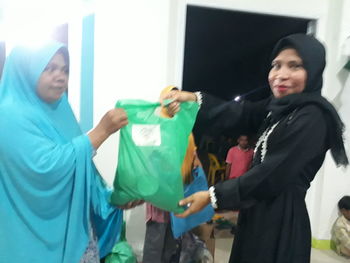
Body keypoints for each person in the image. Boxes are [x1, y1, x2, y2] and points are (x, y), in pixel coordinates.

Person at [161, 34, 349, 263]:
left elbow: (272, 174)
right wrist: (191, 98)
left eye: (295, 66)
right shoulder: (278, 109)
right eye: (276, 65)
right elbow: (241, 113)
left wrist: (213, 196)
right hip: (257, 210)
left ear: (314, 70)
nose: (281, 75)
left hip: (280, 221)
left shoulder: (313, 117)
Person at [0, 42, 141, 263]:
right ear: (27, 70)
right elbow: (45, 167)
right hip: (31, 237)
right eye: (49, 68)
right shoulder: (9, 114)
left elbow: (82, 169)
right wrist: (101, 132)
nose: (60, 76)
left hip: (75, 231)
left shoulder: (60, 111)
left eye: (65, 69)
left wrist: (111, 200)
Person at [142, 86, 202, 263]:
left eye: (177, 98)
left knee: (172, 244)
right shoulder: (154, 125)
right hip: (160, 195)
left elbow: (193, 155)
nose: (175, 103)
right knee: (155, 243)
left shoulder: (183, 126)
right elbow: (148, 156)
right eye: (169, 98)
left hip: (180, 194)